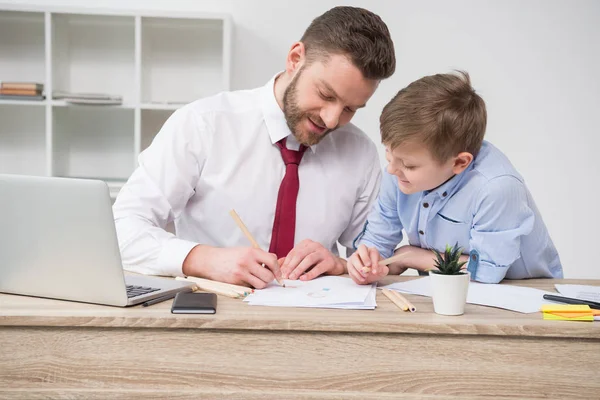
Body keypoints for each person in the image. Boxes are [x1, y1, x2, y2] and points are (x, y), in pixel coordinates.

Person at [113, 6, 396, 288]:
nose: (332, 119)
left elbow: (377, 257)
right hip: (211, 319)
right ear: (296, 59)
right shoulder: (204, 125)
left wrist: (343, 266)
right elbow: (121, 229)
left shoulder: (360, 153)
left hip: (315, 322)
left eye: (350, 109)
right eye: (325, 94)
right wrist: (204, 259)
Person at [348, 71, 563, 284]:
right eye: (388, 153)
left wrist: (410, 255)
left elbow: (486, 271)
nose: (391, 169)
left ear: (460, 163)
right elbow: (378, 239)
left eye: (409, 165)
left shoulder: (496, 187)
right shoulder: (398, 171)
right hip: (448, 287)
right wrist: (367, 261)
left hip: (525, 292)